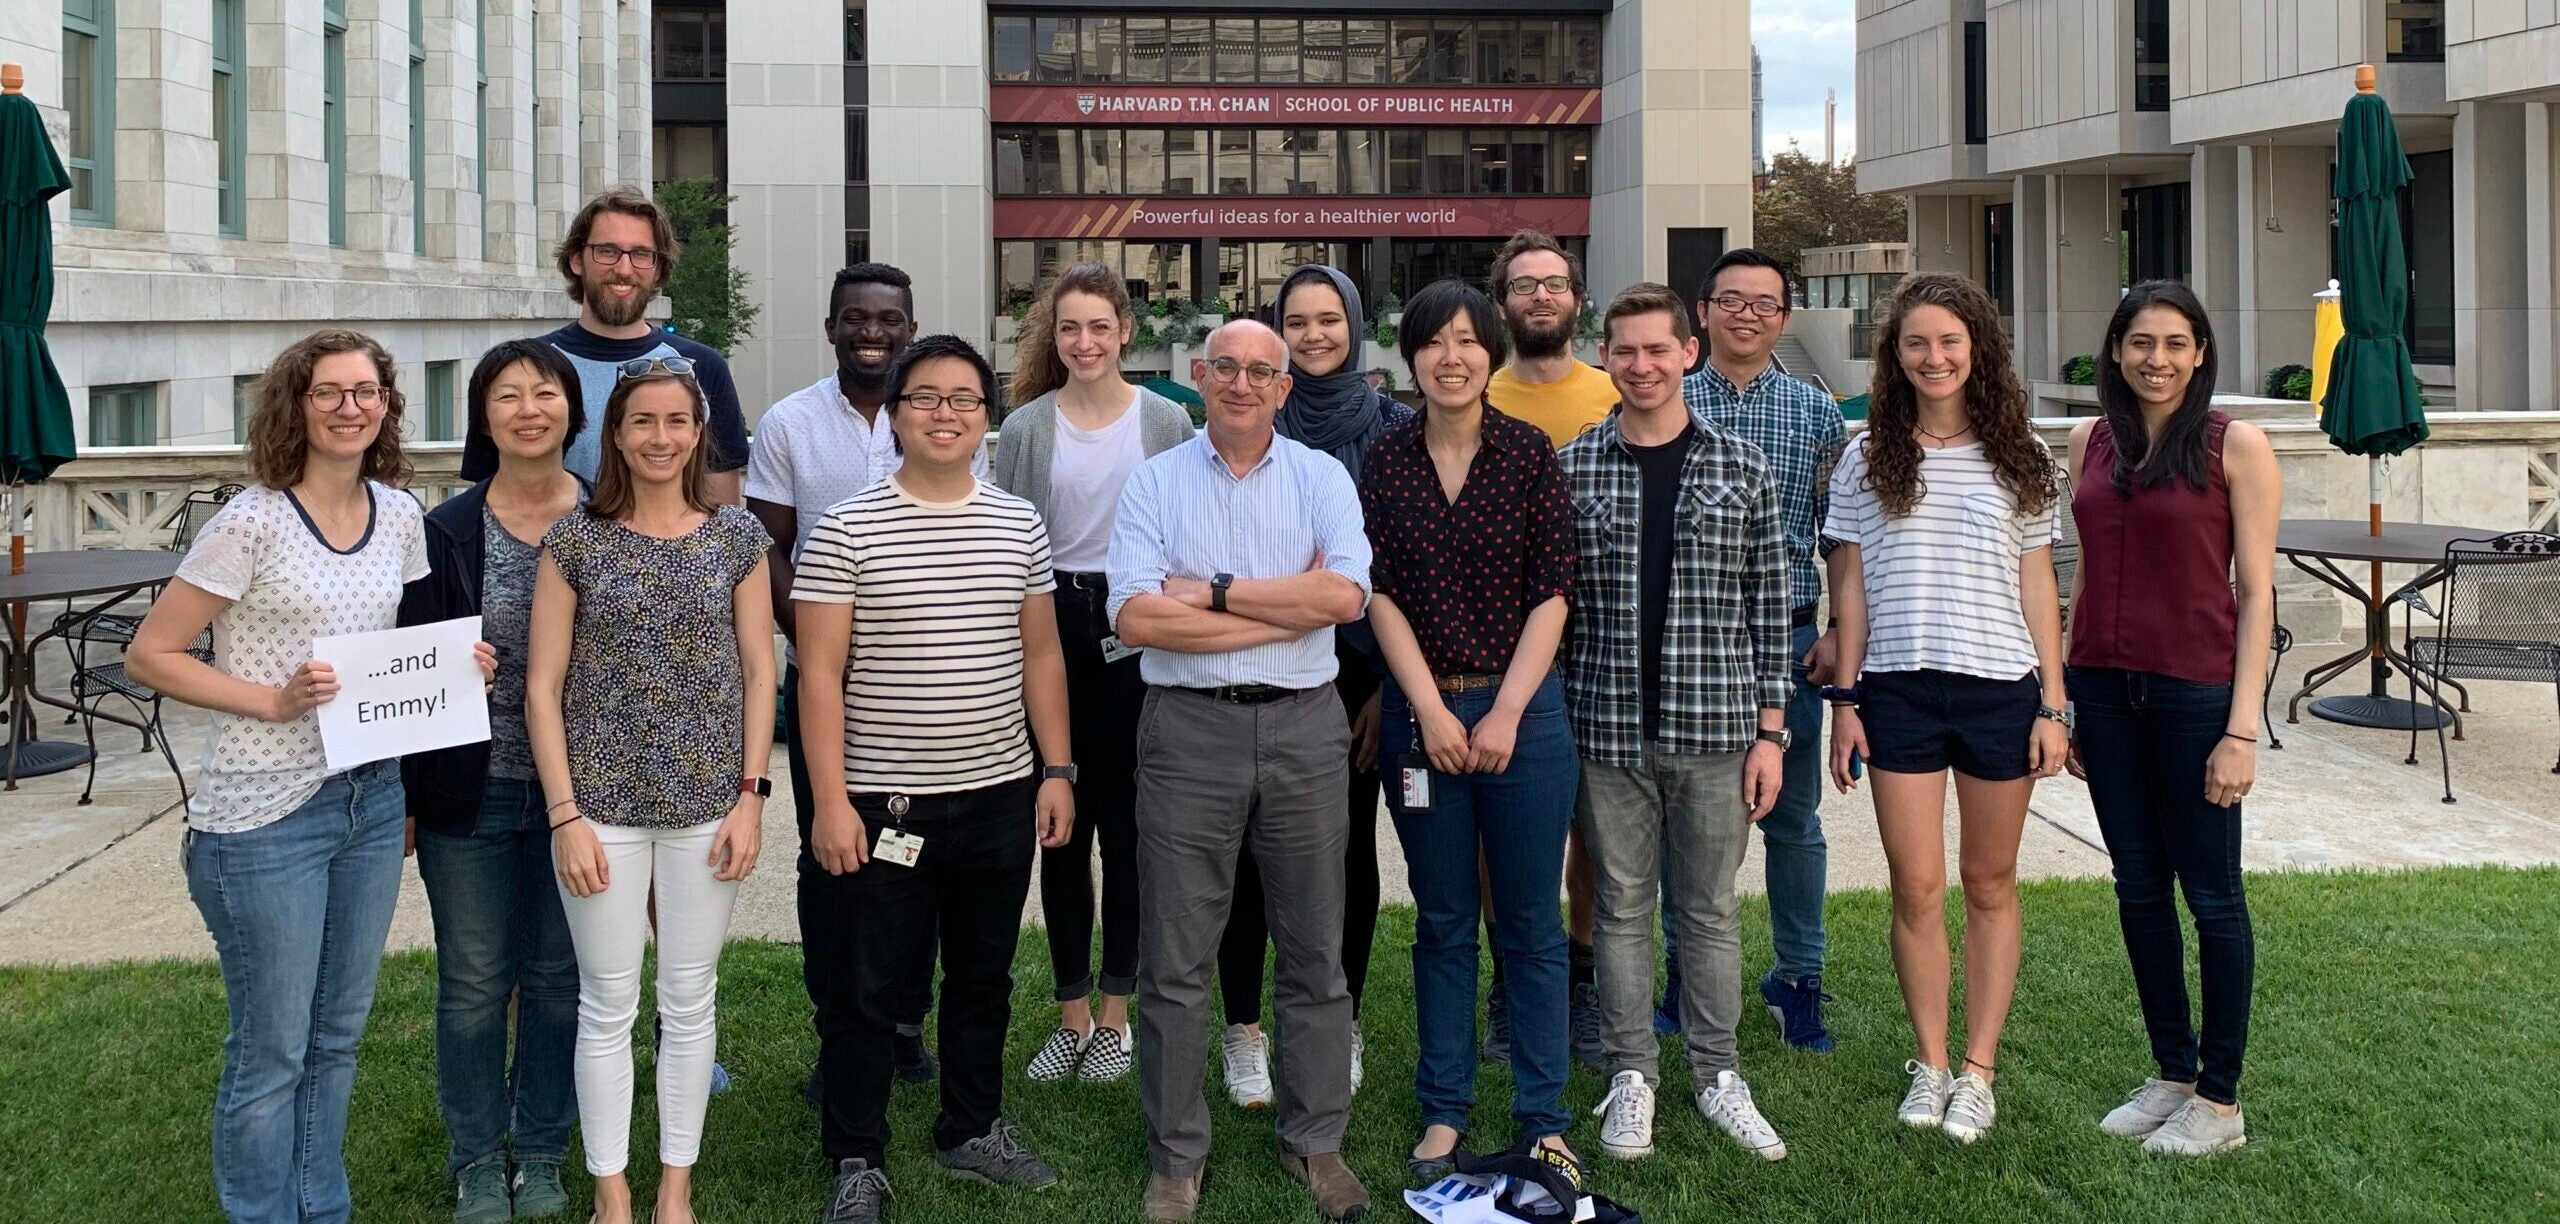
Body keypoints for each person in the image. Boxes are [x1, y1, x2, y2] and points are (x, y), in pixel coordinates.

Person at [128, 330, 490, 1224]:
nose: (349, 407)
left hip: (369, 803)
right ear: (294, 406)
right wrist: (272, 700)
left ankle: (320, 1207)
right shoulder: (250, 522)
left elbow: (393, 650)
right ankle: (264, 1212)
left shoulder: (400, 516)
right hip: (263, 816)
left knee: (336, 1038)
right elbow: (152, 653)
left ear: (386, 407)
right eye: (327, 392)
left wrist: (454, 672)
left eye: (366, 392)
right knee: (272, 1050)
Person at [797, 335, 1077, 1222]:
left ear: (987, 419)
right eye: (925, 397)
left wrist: (1057, 768)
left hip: (997, 794)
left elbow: (1041, 655)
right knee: (866, 988)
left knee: (983, 976)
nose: (945, 413)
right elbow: (818, 676)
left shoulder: (1016, 523)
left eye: (963, 398)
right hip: (884, 802)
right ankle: (855, 1154)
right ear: (895, 412)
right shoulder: (844, 527)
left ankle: (970, 1126)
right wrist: (832, 801)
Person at [1109, 320, 1373, 1224]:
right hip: (1188, 734)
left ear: (1283, 388)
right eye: (1226, 367)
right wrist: (1284, 613)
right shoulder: (1153, 480)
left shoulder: (1322, 477)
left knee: (1315, 950)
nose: (1243, 383)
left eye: (1263, 370)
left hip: (1304, 732)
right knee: (1177, 959)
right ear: (1198, 376)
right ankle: (1177, 1160)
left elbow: (1343, 597)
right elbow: (1138, 621)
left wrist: (1213, 593)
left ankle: (1316, 1144)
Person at [527, 360, 775, 1224]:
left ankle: (676, 1188)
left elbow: (758, 670)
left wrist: (752, 797)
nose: (660, 438)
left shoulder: (738, 539)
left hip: (710, 805)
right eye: (643, 422)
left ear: (698, 431)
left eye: (677, 422)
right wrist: (564, 816)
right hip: (598, 808)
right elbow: (542, 685)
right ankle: (612, 1194)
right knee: (607, 1003)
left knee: (689, 995)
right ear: (616, 434)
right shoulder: (575, 541)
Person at [1823, 272, 2067, 1145]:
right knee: (1917, 884)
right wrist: (1845, 701)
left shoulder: (2024, 455)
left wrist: (2054, 702)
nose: (1934, 358)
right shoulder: (1864, 455)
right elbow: (1846, 585)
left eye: (1950, 342)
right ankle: (1929, 1064)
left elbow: (2039, 585)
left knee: (1989, 883)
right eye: (1917, 343)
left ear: (1978, 350)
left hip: (2001, 688)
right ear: (1896, 354)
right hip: (1896, 690)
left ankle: (1979, 1070)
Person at [1569, 285, 1793, 1164]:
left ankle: (1717, 1074)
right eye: (1624, 351)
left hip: (1717, 729)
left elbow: (1771, 609)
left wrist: (1772, 732)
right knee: (1622, 909)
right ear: (1606, 359)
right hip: (1607, 730)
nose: (1641, 366)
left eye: (1657, 350)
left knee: (1708, 913)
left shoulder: (1742, 467)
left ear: (1688, 353)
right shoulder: (1575, 466)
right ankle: (1634, 1078)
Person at [1367, 279, 1579, 1179]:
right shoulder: (1383, 458)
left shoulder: (1530, 453)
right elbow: (1373, 590)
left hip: (1521, 717)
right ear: (1411, 356)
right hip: (1422, 718)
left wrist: (1503, 711)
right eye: (1433, 342)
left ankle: (1543, 1113)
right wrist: (1427, 708)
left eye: (1468, 341)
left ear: (1491, 354)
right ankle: (1445, 1108)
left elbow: (1553, 590)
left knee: (1531, 924)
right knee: (1445, 920)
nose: (1451, 358)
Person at [2064, 282, 2277, 1157]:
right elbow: (2078, 576)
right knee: (2138, 888)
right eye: (2141, 343)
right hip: (2106, 693)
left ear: (2200, 353)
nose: (2158, 360)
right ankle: (2172, 1073)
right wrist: (2069, 699)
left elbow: (2256, 591)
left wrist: (2242, 729)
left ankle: (2220, 1101)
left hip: (2195, 696)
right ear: (2116, 350)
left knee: (2213, 897)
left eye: (2176, 344)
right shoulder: (2089, 440)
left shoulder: (2238, 445)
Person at [747, 262, 960, 1091]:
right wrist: (821, 642)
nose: (872, 332)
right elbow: (769, 543)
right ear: (830, 326)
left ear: (910, 328)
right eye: (856, 319)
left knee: (924, 859)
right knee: (832, 861)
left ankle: (905, 1025)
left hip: (930, 687)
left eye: (888, 320)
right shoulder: (790, 424)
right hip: (824, 686)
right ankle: (840, 1031)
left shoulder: (937, 419)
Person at [398, 339, 589, 1222]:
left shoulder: (608, 522)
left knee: (557, 978)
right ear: (483, 417)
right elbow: (398, 669)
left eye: (543, 393)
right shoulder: (438, 530)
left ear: (570, 411)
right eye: (506, 395)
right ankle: (478, 1157)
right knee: (474, 982)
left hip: (580, 793)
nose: (527, 408)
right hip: (466, 790)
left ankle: (542, 1150)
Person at [990, 263, 1194, 1086]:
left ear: (1125, 333)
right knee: (1060, 826)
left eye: (1099, 328)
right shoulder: (1029, 426)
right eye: (1069, 328)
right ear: (1054, 335)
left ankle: (1117, 1016)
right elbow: (1010, 539)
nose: (1084, 342)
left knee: (1133, 832)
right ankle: (1070, 1015)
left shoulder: (1168, 421)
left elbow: (1188, 524)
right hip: (1052, 624)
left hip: (1139, 628)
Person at [1216, 263, 1410, 1105]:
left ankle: (1342, 1018)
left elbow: (1404, 573)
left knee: (1341, 859)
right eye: (1297, 322)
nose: (1316, 335)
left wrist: (1382, 691)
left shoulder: (1397, 429)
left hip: (1362, 678)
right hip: (1255, 662)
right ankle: (1243, 1030)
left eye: (1330, 319)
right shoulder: (1251, 420)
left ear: (1356, 325)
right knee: (1245, 865)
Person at [1678, 249, 1849, 1051]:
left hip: (1790, 637)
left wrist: (1844, 631)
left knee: (1794, 819)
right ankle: (1683, 971)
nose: (1748, 315)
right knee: (1695, 820)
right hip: (1690, 646)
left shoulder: (1814, 413)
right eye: (1732, 300)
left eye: (1765, 303)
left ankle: (1798, 976)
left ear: (1784, 316)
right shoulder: (1664, 399)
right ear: (1703, 309)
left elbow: (1839, 537)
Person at [1480, 228, 1613, 1065]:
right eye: (1524, 286)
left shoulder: (1615, 390)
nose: (1539, 297)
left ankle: (1585, 980)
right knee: (1507, 837)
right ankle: (1508, 986)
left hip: (1602, 645)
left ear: (1575, 299)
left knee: (1594, 835)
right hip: (1503, 644)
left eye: (1553, 284)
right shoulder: (1473, 393)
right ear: (1504, 305)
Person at [461, 184, 750, 504]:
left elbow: (720, 510)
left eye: (641, 254)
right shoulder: (522, 369)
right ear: (576, 260)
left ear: (658, 269)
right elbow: (486, 504)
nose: (624, 269)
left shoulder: (703, 366)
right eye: (607, 251)